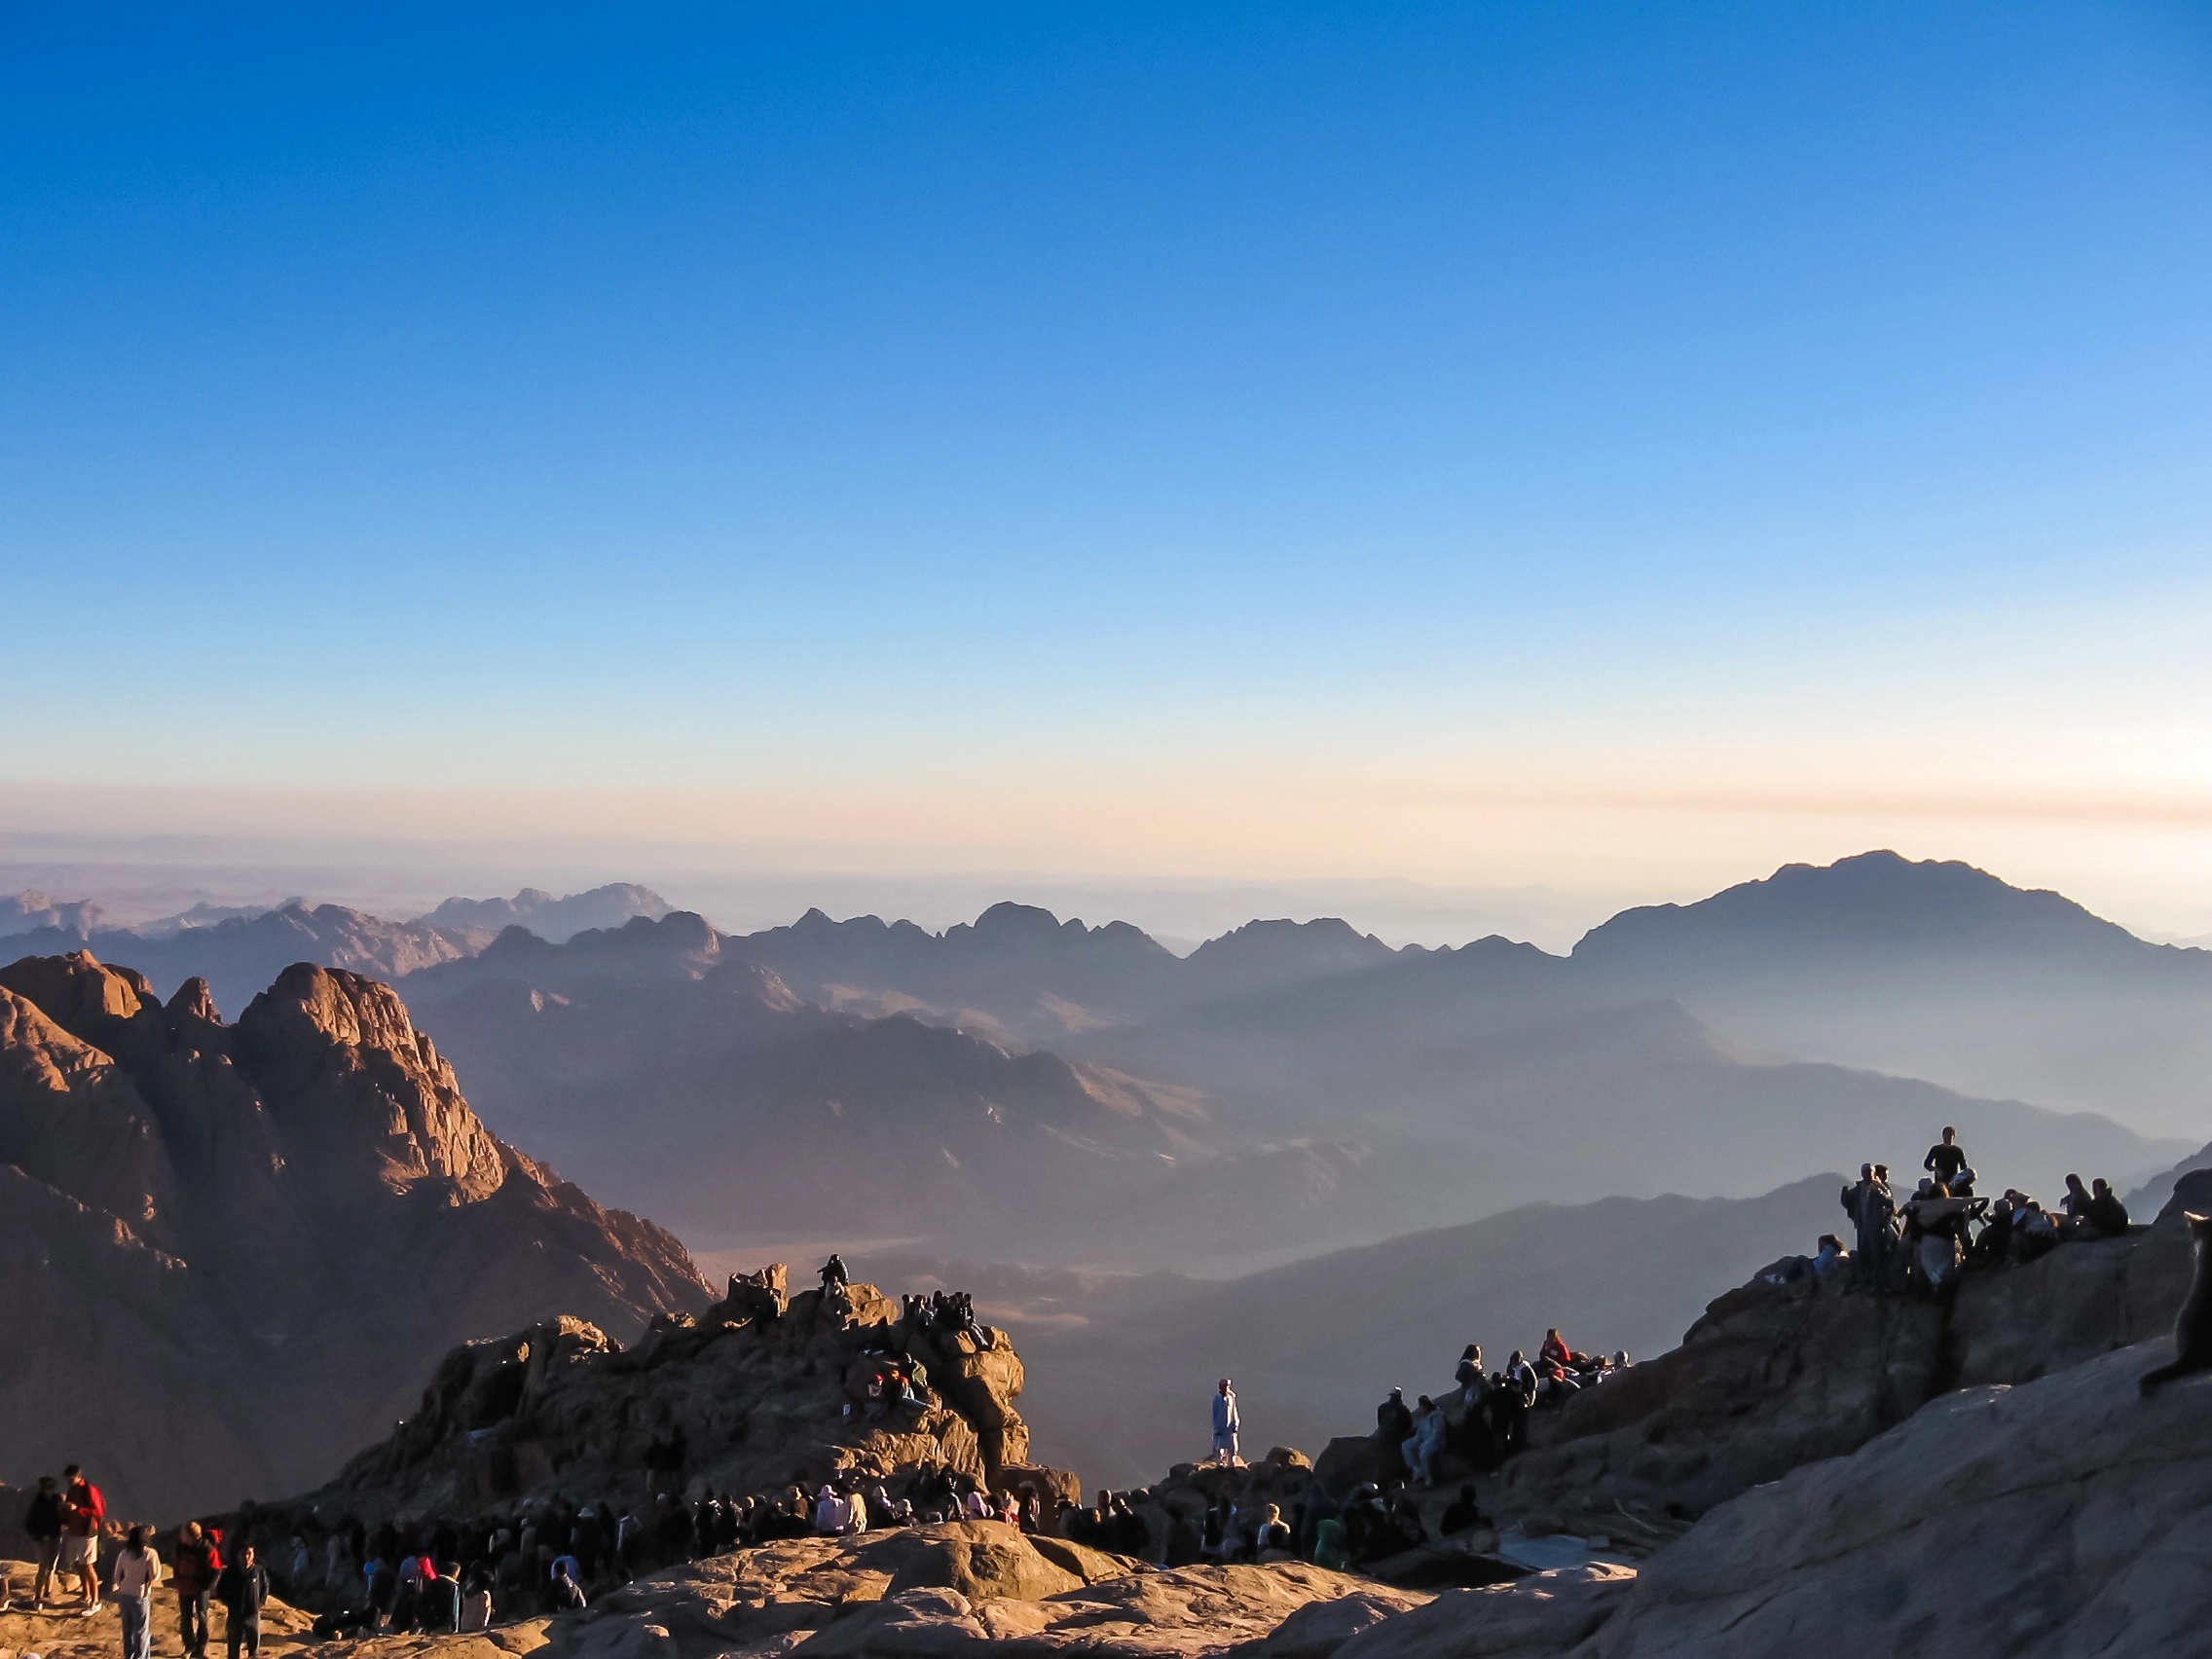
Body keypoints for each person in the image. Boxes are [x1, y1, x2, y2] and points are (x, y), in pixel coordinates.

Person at [110, 1526, 162, 1659]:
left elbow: (116, 1576)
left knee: (127, 1629)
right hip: (140, 1594)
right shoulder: (149, 1554)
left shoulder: (123, 1553)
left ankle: (129, 1656)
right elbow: (155, 1576)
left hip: (124, 1594)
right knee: (141, 1630)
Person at [172, 1521, 222, 1659]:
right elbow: (176, 1564)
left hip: (200, 1587)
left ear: (190, 1536)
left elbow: (215, 1571)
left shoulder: (207, 1549)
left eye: (183, 1534)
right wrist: (178, 1580)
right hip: (185, 1586)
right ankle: (189, 1646)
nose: (181, 1536)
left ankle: (201, 1647)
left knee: (202, 1616)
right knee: (185, 1616)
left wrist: (205, 1586)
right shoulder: (181, 1547)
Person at [59, 1464, 105, 1614]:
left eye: (71, 1479)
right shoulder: (72, 1490)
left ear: (79, 1476)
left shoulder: (90, 1490)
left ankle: (95, 1601)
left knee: (88, 1566)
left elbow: (99, 1511)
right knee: (79, 1564)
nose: (68, 1481)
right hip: (75, 1532)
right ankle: (85, 1596)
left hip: (88, 1532)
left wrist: (77, 1509)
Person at [217, 1542, 269, 1659]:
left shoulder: (258, 1570)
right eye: (243, 1553)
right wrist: (230, 1603)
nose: (246, 1556)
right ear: (237, 1555)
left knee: (254, 1648)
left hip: (252, 1615)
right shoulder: (231, 1571)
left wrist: (259, 1603)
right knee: (233, 1648)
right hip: (235, 1614)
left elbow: (265, 1586)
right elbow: (220, 1589)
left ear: (254, 1554)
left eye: (249, 1553)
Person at [24, 1475, 64, 1609]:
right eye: (49, 1487)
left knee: (52, 1566)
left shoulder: (57, 1500)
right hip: (42, 1540)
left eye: (52, 1487)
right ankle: (38, 1596)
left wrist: (63, 1513)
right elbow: (29, 1524)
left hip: (56, 1537)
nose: (51, 1490)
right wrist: (41, 1536)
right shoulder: (37, 1503)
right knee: (43, 1566)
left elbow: (62, 1519)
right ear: (43, 1488)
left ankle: (48, 1594)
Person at [1403, 1396, 1448, 1487]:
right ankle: (1416, 1469)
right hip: (1425, 1440)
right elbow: (1420, 1433)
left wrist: (1426, 1443)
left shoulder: (1436, 1416)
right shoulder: (1424, 1418)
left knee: (1424, 1454)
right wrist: (1417, 1440)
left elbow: (1438, 1433)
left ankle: (1428, 1477)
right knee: (1406, 1445)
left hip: (1436, 1442)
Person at [1926, 1127, 1973, 1196]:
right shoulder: (1936, 1149)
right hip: (1940, 1182)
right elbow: (1927, 1164)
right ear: (1943, 1136)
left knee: (1968, 1190)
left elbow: (1963, 1167)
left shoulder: (1958, 1151)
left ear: (1954, 1137)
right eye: (1946, 1135)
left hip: (1953, 1181)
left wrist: (1962, 1178)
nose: (1948, 1138)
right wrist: (1936, 1170)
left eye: (1950, 1135)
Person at [1210, 1378, 1241, 1466]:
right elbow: (1214, 1414)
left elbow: (1234, 1411)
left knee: (1232, 1446)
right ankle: (1219, 1463)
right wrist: (1216, 1428)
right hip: (1220, 1426)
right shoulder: (1216, 1399)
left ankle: (1231, 1463)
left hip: (1230, 1426)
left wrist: (1235, 1425)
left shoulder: (1231, 1398)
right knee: (1219, 1446)